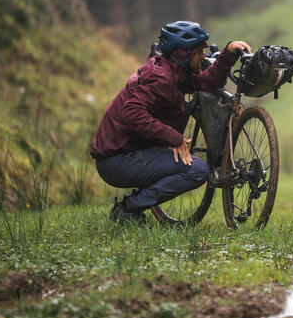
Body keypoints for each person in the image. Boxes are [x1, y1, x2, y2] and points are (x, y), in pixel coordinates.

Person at [90, 20, 251, 224]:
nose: (203, 56)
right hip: (117, 159)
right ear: (182, 53)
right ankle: (129, 209)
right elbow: (132, 112)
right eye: (199, 51)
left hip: (123, 154)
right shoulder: (161, 78)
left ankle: (132, 206)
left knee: (196, 169)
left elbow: (206, 82)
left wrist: (228, 54)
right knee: (198, 170)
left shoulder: (175, 73)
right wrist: (174, 137)